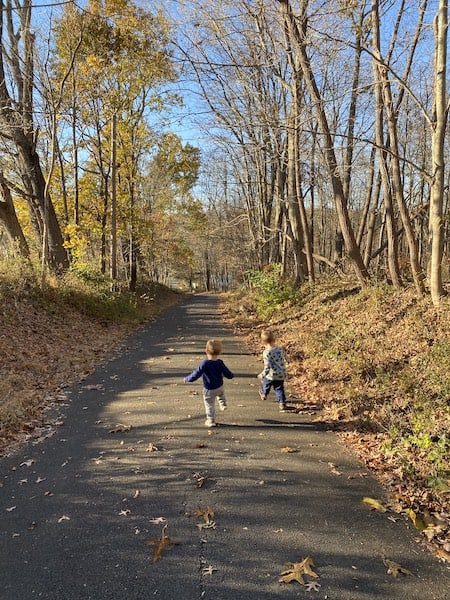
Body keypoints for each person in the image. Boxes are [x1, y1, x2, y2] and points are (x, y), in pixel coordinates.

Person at [184, 339, 234, 427]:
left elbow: (196, 374)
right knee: (221, 394)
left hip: (209, 389)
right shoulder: (220, 362)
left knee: (209, 404)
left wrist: (187, 379)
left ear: (206, 351)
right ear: (219, 352)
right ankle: (223, 404)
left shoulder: (205, 363)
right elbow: (227, 373)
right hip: (219, 386)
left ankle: (210, 420)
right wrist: (231, 376)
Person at [257, 330, 287, 411]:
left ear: (263, 342)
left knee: (266, 384)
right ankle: (282, 403)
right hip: (280, 373)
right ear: (274, 339)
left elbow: (267, 366)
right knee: (279, 388)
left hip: (271, 374)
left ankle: (264, 394)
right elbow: (283, 360)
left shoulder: (266, 352)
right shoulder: (280, 350)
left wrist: (262, 374)